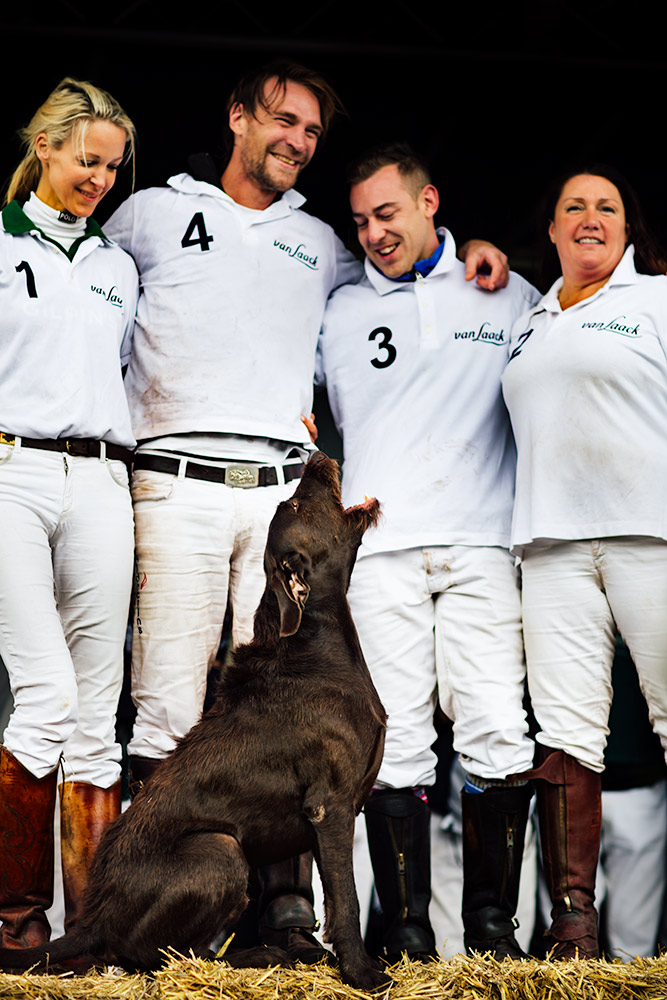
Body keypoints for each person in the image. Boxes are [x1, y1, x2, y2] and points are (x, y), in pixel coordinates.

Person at [104, 61, 510, 960]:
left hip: (283, 508)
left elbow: (408, 272)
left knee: (284, 720)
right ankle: (134, 928)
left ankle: (275, 921)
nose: (295, 141)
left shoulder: (322, 242)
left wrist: (475, 247)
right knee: (169, 707)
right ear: (239, 117)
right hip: (175, 485)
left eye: (311, 133)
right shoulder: (147, 215)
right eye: (281, 121)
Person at [317, 142, 539, 961]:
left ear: (430, 201)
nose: (375, 232)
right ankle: (407, 940)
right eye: (361, 221)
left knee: (495, 732)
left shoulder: (506, 290)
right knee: (395, 742)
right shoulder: (336, 308)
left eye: (388, 213)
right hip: (378, 550)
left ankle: (490, 938)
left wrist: (493, 251)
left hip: (482, 541)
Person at [501, 165, 667, 959]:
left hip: (651, 536)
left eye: (608, 206)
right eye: (575, 206)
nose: (591, 217)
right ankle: (573, 931)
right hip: (551, 544)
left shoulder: (657, 301)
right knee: (565, 736)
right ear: (553, 229)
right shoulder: (527, 318)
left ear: (627, 229)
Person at [0, 78, 138, 948]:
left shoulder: (118, 263)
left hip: (101, 480)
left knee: (97, 715)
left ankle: (91, 934)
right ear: (44, 146)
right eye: (87, 160)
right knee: (43, 696)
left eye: (113, 167)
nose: (100, 179)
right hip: (12, 471)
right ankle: (18, 925)